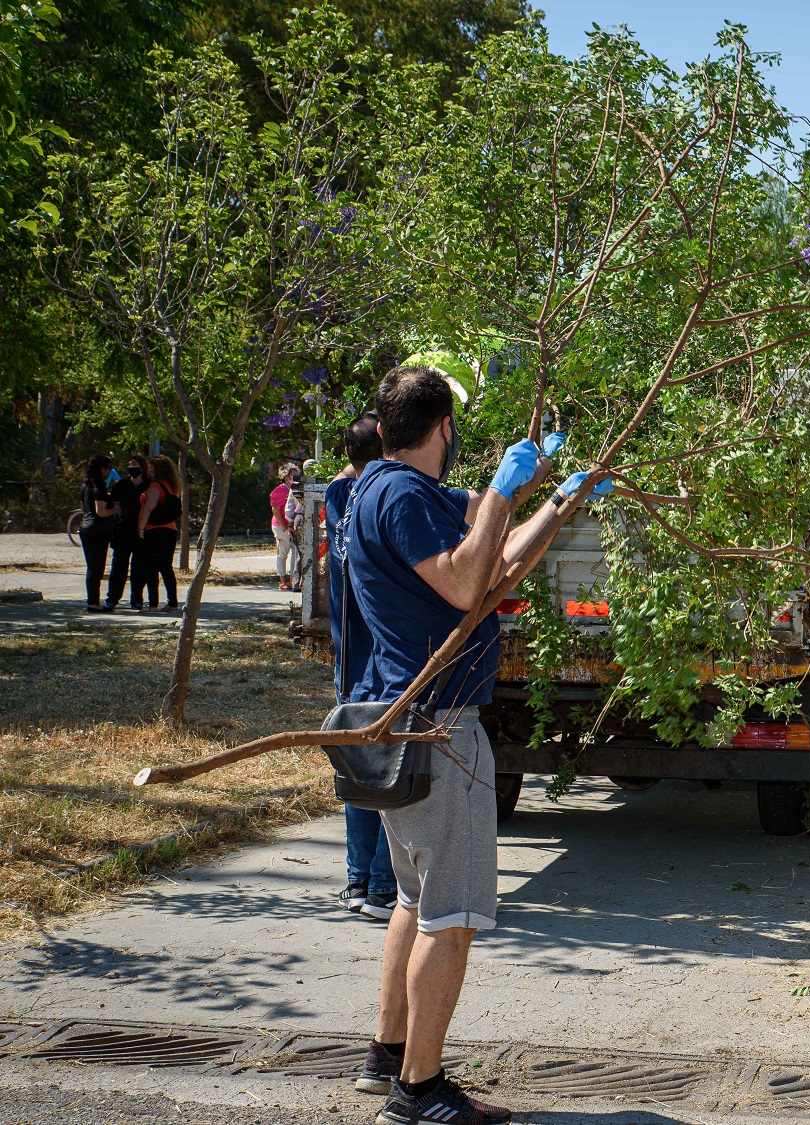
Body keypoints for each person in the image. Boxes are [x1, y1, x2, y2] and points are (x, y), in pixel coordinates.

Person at [340, 361, 568, 1125]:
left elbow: (495, 563)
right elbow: (474, 584)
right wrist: (506, 489)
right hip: (439, 728)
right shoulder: (404, 495)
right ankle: (419, 1090)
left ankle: (387, 1054)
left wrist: (557, 499)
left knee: (414, 898)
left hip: (407, 722)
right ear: (444, 428)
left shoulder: (383, 486)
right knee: (452, 913)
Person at [324, 412, 399, 922]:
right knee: (393, 769)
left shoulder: (338, 498)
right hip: (385, 658)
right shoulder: (388, 498)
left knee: (359, 765)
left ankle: (357, 881)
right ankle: (380, 886)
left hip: (350, 658)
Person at [136, 455, 183, 611]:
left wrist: (141, 528)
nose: (148, 470)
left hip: (154, 530)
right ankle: (172, 602)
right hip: (170, 530)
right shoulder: (173, 487)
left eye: (150, 467)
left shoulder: (155, 486)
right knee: (166, 567)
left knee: (152, 567)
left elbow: (149, 507)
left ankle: (153, 603)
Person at [104, 454, 150, 611]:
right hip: (123, 530)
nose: (132, 467)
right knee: (118, 566)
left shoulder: (149, 485)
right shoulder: (122, 485)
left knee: (139, 567)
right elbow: (113, 503)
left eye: (135, 464)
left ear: (142, 468)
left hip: (141, 531)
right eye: (130, 464)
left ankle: (137, 599)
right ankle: (112, 598)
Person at [80, 455, 119, 612]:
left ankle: (92, 600)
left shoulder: (85, 486)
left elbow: (85, 507)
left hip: (86, 528)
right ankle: (93, 602)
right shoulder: (100, 487)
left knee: (91, 566)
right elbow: (101, 512)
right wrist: (115, 509)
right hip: (98, 530)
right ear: (103, 469)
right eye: (107, 469)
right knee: (97, 567)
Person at [272, 467, 299, 591]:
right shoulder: (279, 491)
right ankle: (283, 581)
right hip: (281, 526)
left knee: (295, 553)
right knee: (282, 553)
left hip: (292, 526)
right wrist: (284, 527)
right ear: (286, 477)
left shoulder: (294, 489)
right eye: (293, 475)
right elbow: (275, 509)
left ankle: (293, 580)